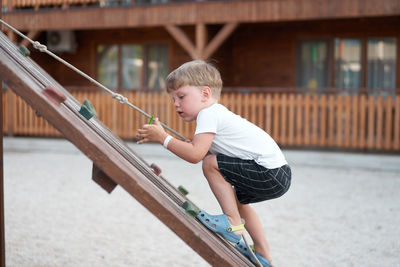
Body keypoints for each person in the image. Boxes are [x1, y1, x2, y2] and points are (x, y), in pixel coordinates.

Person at [136, 60, 291, 267]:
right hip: (278, 174)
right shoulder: (216, 114)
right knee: (238, 201)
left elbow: (195, 155)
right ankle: (263, 254)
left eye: (181, 96)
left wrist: (163, 138)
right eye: (173, 99)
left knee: (210, 163)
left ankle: (232, 223)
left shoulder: (208, 114)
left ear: (205, 94)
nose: (176, 104)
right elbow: (200, 149)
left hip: (269, 173)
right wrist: (171, 139)